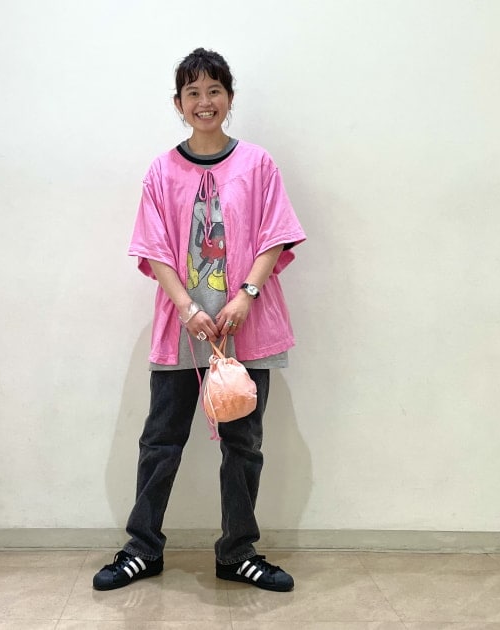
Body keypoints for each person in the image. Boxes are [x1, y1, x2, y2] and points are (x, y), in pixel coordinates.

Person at [93, 48, 306, 593]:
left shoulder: (257, 164)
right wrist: (187, 308)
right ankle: (143, 548)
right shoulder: (162, 171)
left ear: (229, 99)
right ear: (178, 103)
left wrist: (247, 295)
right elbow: (155, 248)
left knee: (243, 444)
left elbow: (275, 234)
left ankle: (237, 552)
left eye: (214, 91)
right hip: (181, 332)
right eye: (193, 92)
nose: (204, 101)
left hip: (246, 331)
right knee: (160, 441)